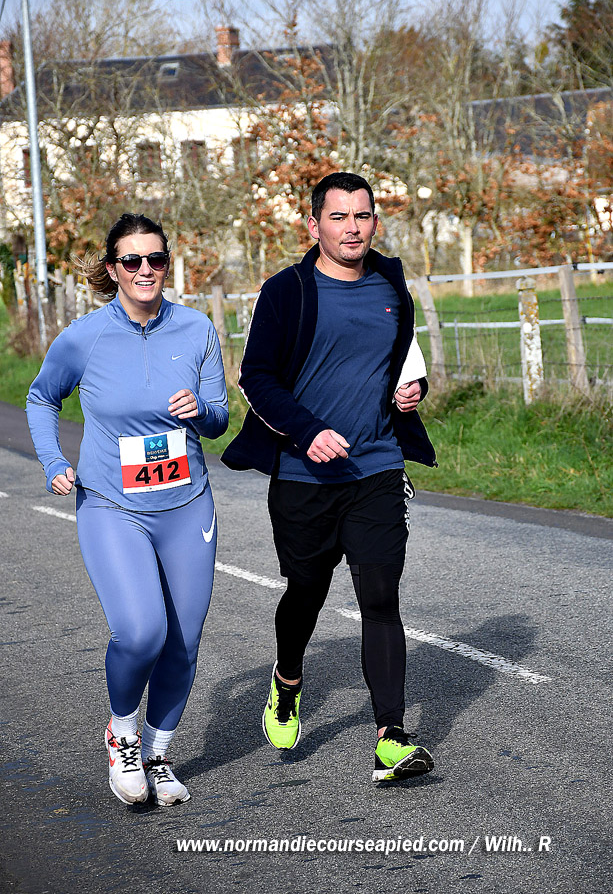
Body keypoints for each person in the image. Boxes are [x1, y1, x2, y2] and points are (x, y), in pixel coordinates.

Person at [222, 172, 437, 782]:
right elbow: (257, 377)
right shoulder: (286, 291)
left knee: (380, 597)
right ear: (314, 224)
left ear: (375, 222)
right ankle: (287, 679)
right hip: (303, 475)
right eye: (338, 217)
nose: (352, 228)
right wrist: (307, 431)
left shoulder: (391, 285)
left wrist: (414, 390)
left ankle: (391, 737)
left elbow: (402, 357)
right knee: (306, 591)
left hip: (376, 465)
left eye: (362, 216)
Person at [26, 213, 228, 806]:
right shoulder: (84, 337)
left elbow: (219, 418)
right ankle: (122, 734)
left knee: (183, 642)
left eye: (156, 259)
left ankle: (159, 753)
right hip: (112, 504)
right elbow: (40, 397)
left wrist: (200, 411)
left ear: (168, 264)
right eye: (132, 260)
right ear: (113, 269)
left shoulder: (196, 328)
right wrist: (53, 460)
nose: (145, 270)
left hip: (186, 504)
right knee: (142, 632)